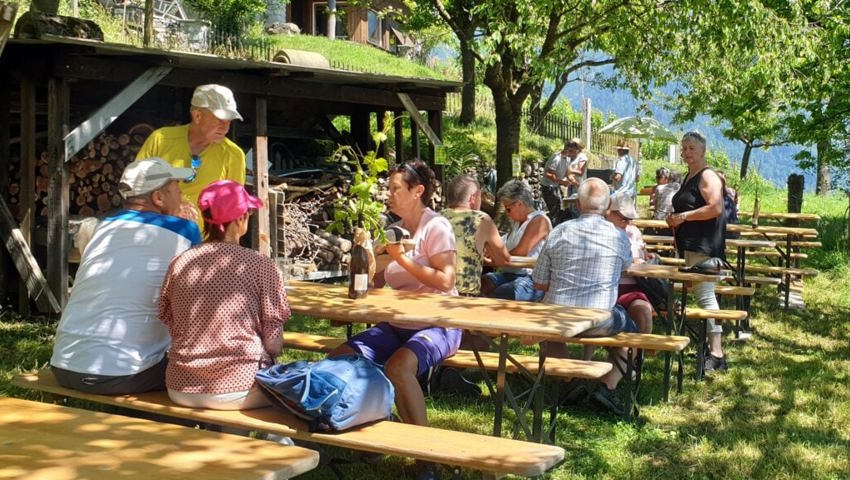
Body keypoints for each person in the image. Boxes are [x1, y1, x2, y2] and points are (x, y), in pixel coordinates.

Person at [328, 160, 457, 480]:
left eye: (395, 189)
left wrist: (399, 257)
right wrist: (368, 259)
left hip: (439, 323)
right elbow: (376, 284)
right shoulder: (392, 229)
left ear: (418, 191)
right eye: (389, 188)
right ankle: (379, 429)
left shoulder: (435, 227)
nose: (389, 194)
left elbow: (446, 279)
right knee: (340, 359)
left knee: (398, 367)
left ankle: (426, 461)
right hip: (398, 324)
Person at [50, 158, 201, 394]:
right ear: (158, 198)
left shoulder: (103, 227)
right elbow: (199, 295)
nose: (181, 195)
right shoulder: (183, 230)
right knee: (213, 373)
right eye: (176, 189)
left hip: (62, 366)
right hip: (122, 374)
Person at [158, 180, 289, 410]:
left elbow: (168, 318)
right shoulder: (261, 265)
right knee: (284, 397)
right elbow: (274, 343)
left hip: (180, 386)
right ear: (240, 219)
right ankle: (283, 443)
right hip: (239, 387)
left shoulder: (180, 262)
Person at [531, 178, 637, 415]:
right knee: (632, 332)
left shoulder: (559, 231)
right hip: (600, 319)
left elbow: (539, 282)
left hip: (559, 316)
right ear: (608, 206)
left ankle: (570, 381)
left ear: (578, 204)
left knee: (549, 335)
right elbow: (626, 267)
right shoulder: (618, 236)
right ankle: (607, 386)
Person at [136, 84, 246, 221]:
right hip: (158, 232)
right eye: (220, 119)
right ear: (197, 116)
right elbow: (137, 187)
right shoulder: (161, 139)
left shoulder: (233, 155)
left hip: (205, 241)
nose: (225, 127)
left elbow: (233, 208)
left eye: (229, 121)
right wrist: (175, 206)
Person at [666, 131, 728, 372]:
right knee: (703, 295)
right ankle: (710, 347)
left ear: (703, 150)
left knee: (705, 296)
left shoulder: (707, 176)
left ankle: (716, 353)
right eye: (683, 148)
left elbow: (716, 208)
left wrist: (683, 216)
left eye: (691, 148)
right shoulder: (688, 176)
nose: (686, 152)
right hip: (691, 247)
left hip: (705, 246)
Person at [481, 179, 551, 302]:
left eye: (508, 209)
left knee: (501, 293)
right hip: (509, 274)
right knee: (481, 283)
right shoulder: (517, 223)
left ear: (519, 204)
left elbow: (521, 252)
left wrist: (494, 259)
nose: (507, 213)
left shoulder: (539, 220)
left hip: (530, 277)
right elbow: (503, 246)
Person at [441, 174, 511, 296]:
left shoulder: (436, 217)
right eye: (480, 197)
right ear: (473, 198)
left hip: (435, 291)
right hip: (465, 295)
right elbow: (504, 260)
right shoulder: (481, 219)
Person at [607, 194, 654, 334]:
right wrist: (631, 261)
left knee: (644, 310)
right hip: (606, 288)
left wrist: (647, 257)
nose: (627, 222)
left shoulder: (633, 231)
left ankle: (639, 354)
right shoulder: (602, 232)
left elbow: (643, 252)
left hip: (633, 287)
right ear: (608, 212)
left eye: (630, 219)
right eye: (623, 218)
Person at [539, 141, 571, 224]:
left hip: (555, 186)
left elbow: (567, 172)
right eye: (572, 151)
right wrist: (562, 182)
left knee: (558, 209)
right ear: (567, 149)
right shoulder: (557, 157)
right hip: (548, 186)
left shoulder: (567, 158)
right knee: (554, 210)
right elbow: (549, 174)